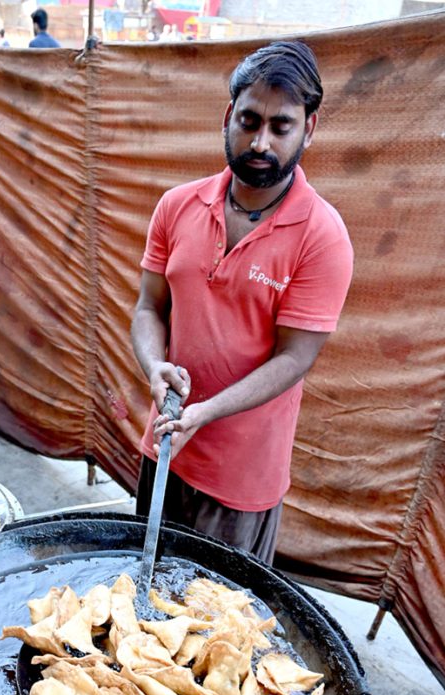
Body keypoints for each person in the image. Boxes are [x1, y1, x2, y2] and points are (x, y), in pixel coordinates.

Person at [131, 41, 353, 565]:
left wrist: (206, 413)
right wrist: (154, 365)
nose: (260, 142)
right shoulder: (177, 205)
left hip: (241, 479)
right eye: (249, 120)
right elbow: (148, 308)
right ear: (228, 115)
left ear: (309, 129)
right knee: (135, 605)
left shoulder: (323, 237)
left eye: (281, 127)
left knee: (217, 629)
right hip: (164, 447)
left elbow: (296, 358)